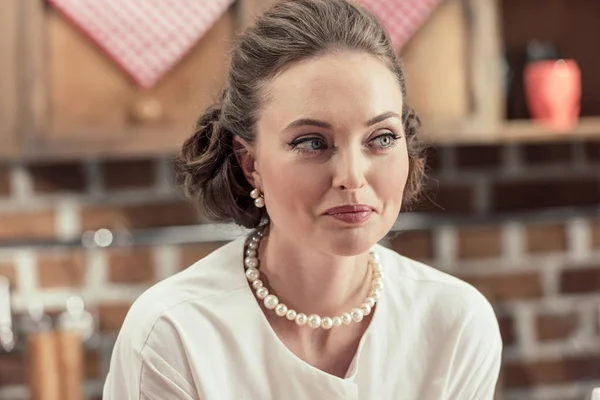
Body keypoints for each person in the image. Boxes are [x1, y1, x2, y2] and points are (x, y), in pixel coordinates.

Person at [102, 0, 502, 398]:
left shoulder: (456, 323)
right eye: (312, 142)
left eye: (381, 138)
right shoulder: (172, 334)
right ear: (250, 162)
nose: (352, 176)